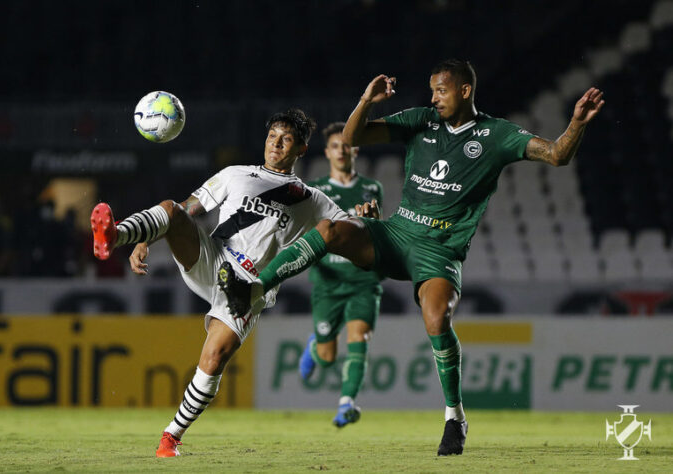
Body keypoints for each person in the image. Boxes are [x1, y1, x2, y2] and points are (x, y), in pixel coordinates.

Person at [218, 59, 605, 456]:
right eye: (432, 89)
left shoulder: (497, 134)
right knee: (330, 231)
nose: (434, 97)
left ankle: (454, 417)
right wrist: (367, 100)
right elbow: (353, 138)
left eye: (441, 90)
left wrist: (577, 123)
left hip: (439, 251)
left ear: (465, 91)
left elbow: (558, 155)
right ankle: (253, 288)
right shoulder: (423, 120)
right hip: (397, 233)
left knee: (437, 318)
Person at [90, 109, 376, 458]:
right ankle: (114, 234)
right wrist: (146, 238)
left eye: (286, 139)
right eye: (273, 136)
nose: (276, 144)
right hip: (213, 260)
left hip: (249, 287)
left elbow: (344, 225)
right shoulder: (236, 174)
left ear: (301, 149)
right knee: (170, 209)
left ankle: (171, 437)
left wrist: (362, 216)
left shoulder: (311, 198)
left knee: (214, 358)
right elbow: (188, 208)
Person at [299, 122, 384, 427]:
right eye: (335, 146)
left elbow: (378, 234)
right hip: (328, 281)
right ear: (327, 152)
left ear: (355, 149)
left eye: (346, 145)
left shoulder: (373, 189)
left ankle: (347, 404)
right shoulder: (316, 190)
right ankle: (314, 346)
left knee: (359, 337)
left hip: (362, 279)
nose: (341, 151)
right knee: (327, 356)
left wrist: (373, 221)